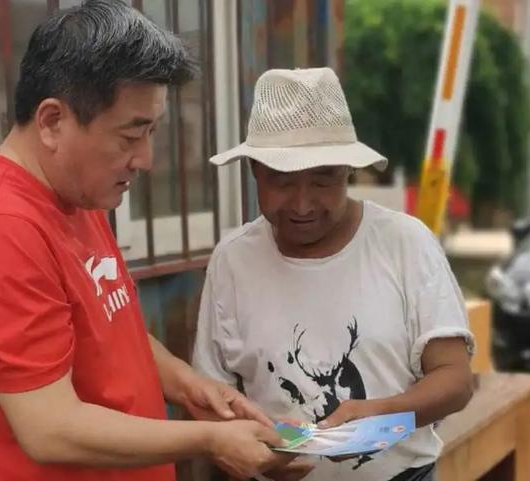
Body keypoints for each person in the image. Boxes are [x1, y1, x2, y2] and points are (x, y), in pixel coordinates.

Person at [0, 2, 295, 480]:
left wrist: (187, 385)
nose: (146, 159)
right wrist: (210, 438)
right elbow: (50, 427)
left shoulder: (76, 194)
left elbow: (106, 327)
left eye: (152, 132)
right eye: (129, 136)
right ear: (53, 121)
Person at [193, 67, 475, 481]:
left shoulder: (404, 242)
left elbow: (455, 381)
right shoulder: (232, 261)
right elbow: (210, 394)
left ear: (348, 171)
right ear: (254, 171)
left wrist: (382, 419)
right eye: (282, 182)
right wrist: (242, 453)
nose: (303, 204)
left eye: (323, 180)